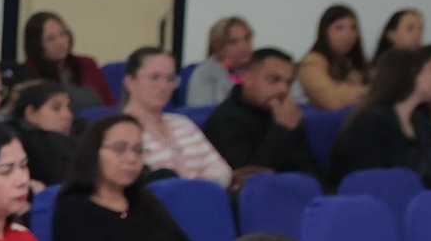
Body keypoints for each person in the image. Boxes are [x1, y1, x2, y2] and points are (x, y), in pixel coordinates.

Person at [51, 117, 204, 241]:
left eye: (138, 150)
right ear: (93, 153)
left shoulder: (146, 203)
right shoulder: (73, 210)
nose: (132, 158)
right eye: (120, 149)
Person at [327, 45, 431, 188]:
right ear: (410, 77)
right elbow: (377, 179)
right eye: (429, 71)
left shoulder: (417, 120)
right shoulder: (372, 121)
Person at [114, 49, 229, 186]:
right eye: (155, 77)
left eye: (170, 79)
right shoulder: (117, 130)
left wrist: (192, 187)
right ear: (130, 82)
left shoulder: (183, 123)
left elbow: (223, 170)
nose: (164, 86)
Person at [200, 48, 318, 177]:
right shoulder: (225, 120)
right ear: (248, 78)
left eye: (288, 83)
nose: (283, 89)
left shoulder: (286, 113)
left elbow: (309, 172)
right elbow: (245, 180)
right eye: (274, 79)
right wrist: (282, 130)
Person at [17, 12, 114, 109]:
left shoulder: (86, 64)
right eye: (51, 39)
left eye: (63, 34)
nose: (61, 42)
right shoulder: (28, 74)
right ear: (36, 45)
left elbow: (110, 105)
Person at [298, 5, 371, 110]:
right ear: (325, 32)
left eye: (353, 28)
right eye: (339, 28)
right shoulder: (311, 63)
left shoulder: (355, 63)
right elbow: (331, 100)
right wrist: (370, 92)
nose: (348, 35)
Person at [10, 81, 78, 189]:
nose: (68, 115)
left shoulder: (80, 134)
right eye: (56, 108)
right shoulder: (28, 146)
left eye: (69, 107)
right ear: (31, 113)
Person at [182, 16, 255, 108]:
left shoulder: (258, 70)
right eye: (233, 42)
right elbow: (200, 114)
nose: (244, 46)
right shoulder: (206, 74)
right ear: (219, 48)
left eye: (247, 39)